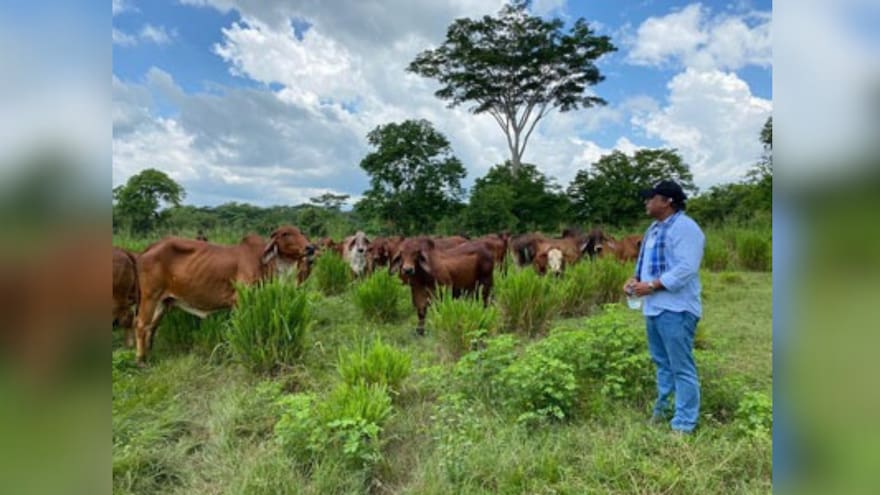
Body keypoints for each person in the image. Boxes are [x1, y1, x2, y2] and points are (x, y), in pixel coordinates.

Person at [624, 179, 705, 434]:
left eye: (652, 197)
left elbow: (686, 268)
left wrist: (652, 285)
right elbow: (644, 265)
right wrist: (635, 281)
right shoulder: (654, 229)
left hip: (676, 308)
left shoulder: (685, 228)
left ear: (668, 201)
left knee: (681, 366)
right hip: (654, 308)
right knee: (662, 363)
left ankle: (683, 424)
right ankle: (665, 411)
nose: (646, 202)